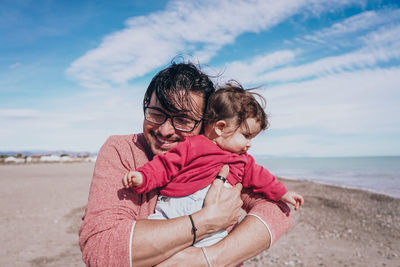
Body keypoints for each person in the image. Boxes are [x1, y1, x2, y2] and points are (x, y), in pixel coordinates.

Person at [79, 61, 293, 267]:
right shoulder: (122, 149)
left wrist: (208, 259)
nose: (164, 130)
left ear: (205, 125)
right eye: (156, 113)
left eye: (183, 120)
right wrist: (206, 221)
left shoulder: (218, 158)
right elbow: (101, 250)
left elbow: (278, 210)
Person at [122, 83, 303, 247]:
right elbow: (166, 165)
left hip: (214, 228)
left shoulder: (243, 160)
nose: (249, 144)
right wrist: (143, 177)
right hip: (172, 208)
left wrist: (282, 193)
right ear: (220, 128)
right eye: (246, 136)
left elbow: (263, 179)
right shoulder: (195, 145)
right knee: (150, 244)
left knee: (214, 251)